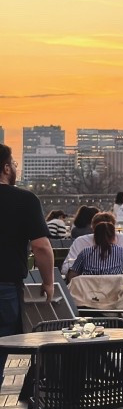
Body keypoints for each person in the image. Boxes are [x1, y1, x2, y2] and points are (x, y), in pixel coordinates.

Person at [0, 144, 55, 341]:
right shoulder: (25, 200)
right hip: (5, 285)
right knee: (5, 345)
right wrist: (48, 282)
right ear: (6, 168)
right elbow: (40, 246)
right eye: (13, 163)